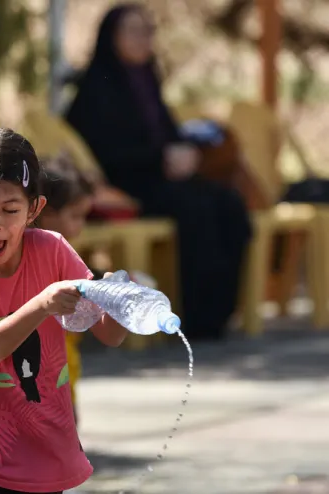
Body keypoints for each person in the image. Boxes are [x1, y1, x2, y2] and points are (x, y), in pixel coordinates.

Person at [0, 128, 128, 494]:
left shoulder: (52, 250)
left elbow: (109, 335)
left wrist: (116, 303)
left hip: (48, 458)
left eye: (10, 209)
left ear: (34, 208)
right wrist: (41, 304)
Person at [64, 3, 252, 341]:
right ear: (112, 38)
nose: (143, 39)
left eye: (147, 31)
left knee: (229, 203)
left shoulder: (148, 79)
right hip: (128, 184)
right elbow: (106, 153)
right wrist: (159, 158)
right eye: (133, 31)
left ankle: (221, 312)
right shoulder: (96, 87)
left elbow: (167, 132)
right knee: (197, 210)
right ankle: (195, 317)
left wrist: (185, 154)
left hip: (164, 179)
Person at [36, 154, 96, 423]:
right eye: (75, 216)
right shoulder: (36, 263)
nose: (80, 227)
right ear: (44, 213)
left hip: (65, 375)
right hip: (41, 379)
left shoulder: (66, 257)